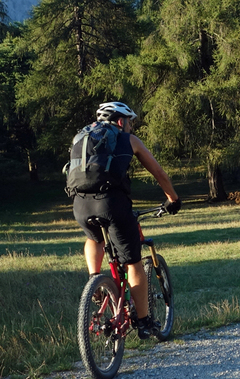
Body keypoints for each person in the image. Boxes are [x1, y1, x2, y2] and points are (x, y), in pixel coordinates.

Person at [71, 101, 181, 339]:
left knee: (93, 237)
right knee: (133, 263)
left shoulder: (83, 137)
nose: (131, 126)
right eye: (130, 121)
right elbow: (159, 173)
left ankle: (95, 282)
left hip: (80, 204)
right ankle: (143, 322)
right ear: (121, 121)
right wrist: (173, 198)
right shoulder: (128, 139)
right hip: (111, 203)